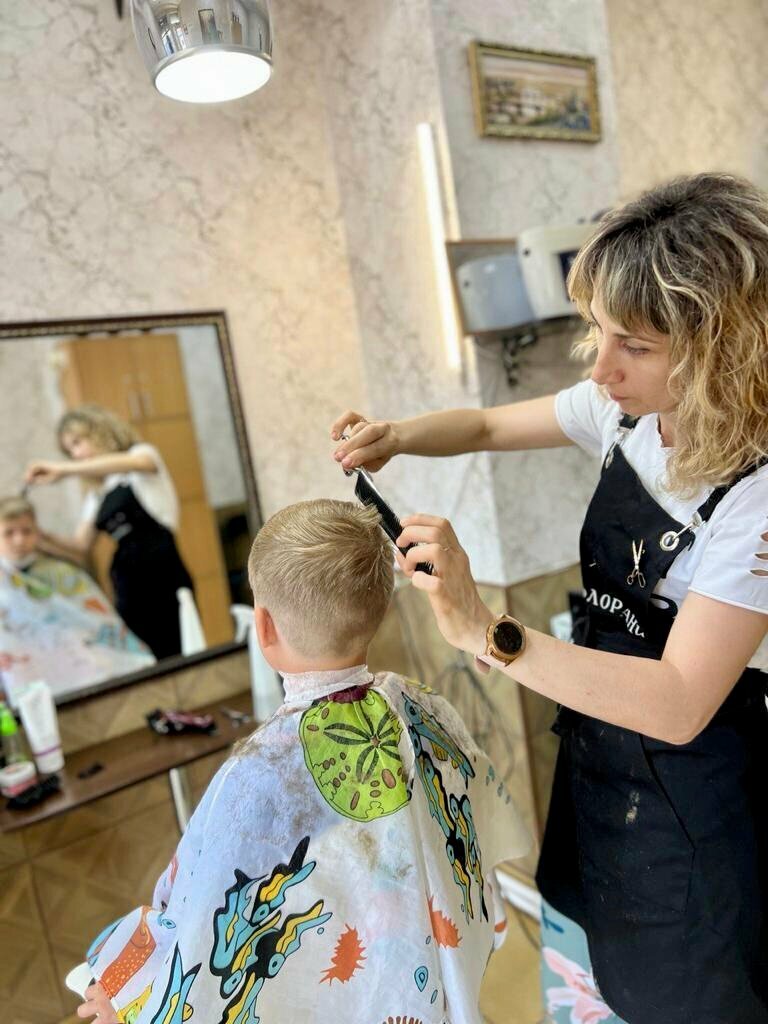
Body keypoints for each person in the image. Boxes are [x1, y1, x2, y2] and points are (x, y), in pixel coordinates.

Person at [331, 173, 768, 1024]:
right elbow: (488, 425)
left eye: (634, 344)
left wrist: (485, 629)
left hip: (698, 790)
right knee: (601, 960)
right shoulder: (626, 416)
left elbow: (680, 701)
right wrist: (397, 437)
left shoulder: (755, 497)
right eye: (599, 332)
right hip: (601, 758)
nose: (601, 368)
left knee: (693, 990)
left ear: (721, 343)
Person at [75, 499, 531, 1024]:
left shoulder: (254, 774)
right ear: (381, 608)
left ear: (263, 626)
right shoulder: (425, 707)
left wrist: (125, 1002)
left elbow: (198, 932)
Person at [24, 405, 193, 659]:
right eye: (70, 451)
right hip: (126, 581)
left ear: (99, 432)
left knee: (177, 647)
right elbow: (81, 545)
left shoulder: (141, 456)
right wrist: (38, 536)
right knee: (145, 657)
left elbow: (139, 464)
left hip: (162, 571)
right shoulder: (97, 495)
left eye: (78, 443)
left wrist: (63, 470)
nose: (76, 455)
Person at [0, 496, 153, 702]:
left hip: (77, 664)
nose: (19, 540)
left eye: (26, 531)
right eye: (9, 533)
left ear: (37, 532)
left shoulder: (64, 574)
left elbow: (98, 621)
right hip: (25, 676)